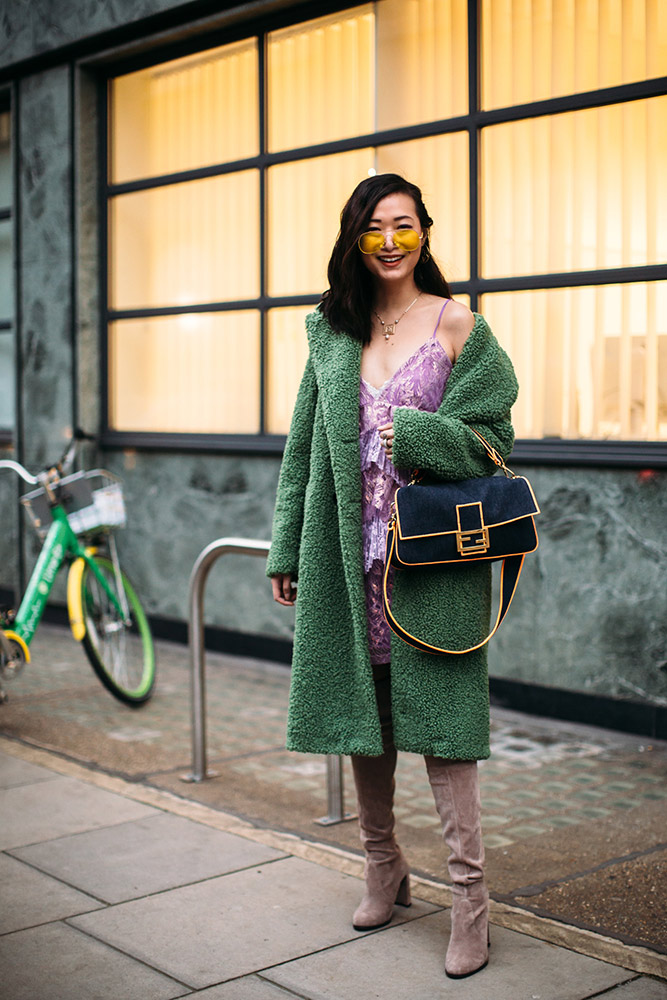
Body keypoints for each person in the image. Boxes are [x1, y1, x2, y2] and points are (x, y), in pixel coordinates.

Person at [266, 173, 517, 980]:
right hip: (347, 563)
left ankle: (470, 901)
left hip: (431, 565)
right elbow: (303, 449)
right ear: (353, 237)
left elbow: (491, 437)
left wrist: (409, 432)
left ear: (423, 232)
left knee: (445, 738)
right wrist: (283, 551)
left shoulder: (457, 325)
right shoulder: (329, 332)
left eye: (402, 226)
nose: (387, 241)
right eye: (372, 227)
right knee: (361, 720)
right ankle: (383, 869)